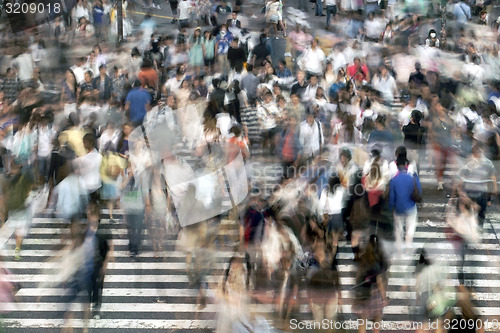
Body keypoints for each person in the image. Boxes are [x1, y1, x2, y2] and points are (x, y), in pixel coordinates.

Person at [457, 144, 497, 229]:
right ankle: (469, 227)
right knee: (468, 210)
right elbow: (463, 175)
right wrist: (460, 189)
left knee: (481, 210)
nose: (477, 153)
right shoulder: (470, 162)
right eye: (475, 151)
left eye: (479, 151)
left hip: (482, 191)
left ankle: (479, 227)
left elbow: (492, 176)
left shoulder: (487, 163)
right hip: (470, 190)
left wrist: (494, 188)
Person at [388, 154, 422, 255]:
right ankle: (408, 249)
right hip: (410, 207)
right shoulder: (412, 178)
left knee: (398, 230)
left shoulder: (394, 180)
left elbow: (392, 197)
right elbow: (419, 191)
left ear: (397, 166)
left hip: (398, 209)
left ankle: (399, 249)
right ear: (406, 165)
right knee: (410, 229)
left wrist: (391, 208)